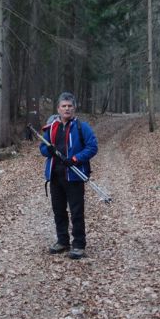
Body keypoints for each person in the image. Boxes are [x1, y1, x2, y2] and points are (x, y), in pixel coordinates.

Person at [39, 92, 98, 259]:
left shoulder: (82, 127)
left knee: (76, 211)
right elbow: (43, 149)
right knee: (58, 210)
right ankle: (62, 241)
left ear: (74, 108)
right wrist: (47, 150)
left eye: (69, 106)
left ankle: (79, 244)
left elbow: (92, 147)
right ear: (58, 108)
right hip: (55, 177)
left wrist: (75, 159)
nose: (66, 109)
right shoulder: (51, 128)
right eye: (63, 106)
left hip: (74, 177)